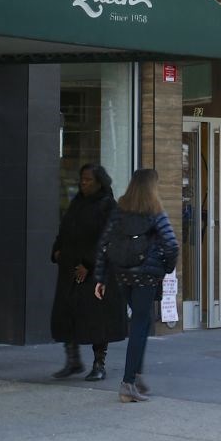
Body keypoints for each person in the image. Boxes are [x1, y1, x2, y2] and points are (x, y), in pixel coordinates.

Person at [94, 168, 178, 403]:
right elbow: (171, 245)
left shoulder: (120, 210)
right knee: (141, 324)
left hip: (122, 274)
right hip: (146, 276)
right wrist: (165, 268)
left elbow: (104, 243)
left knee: (143, 320)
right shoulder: (155, 211)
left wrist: (100, 278)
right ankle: (128, 383)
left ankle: (136, 378)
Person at [51, 163, 127, 382]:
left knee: (96, 320)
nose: (83, 183)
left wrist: (90, 264)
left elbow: (108, 239)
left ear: (99, 182)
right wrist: (57, 250)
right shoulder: (77, 203)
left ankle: (99, 363)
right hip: (70, 269)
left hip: (95, 274)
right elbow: (65, 230)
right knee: (67, 315)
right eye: (82, 179)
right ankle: (73, 360)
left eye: (88, 180)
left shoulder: (107, 206)